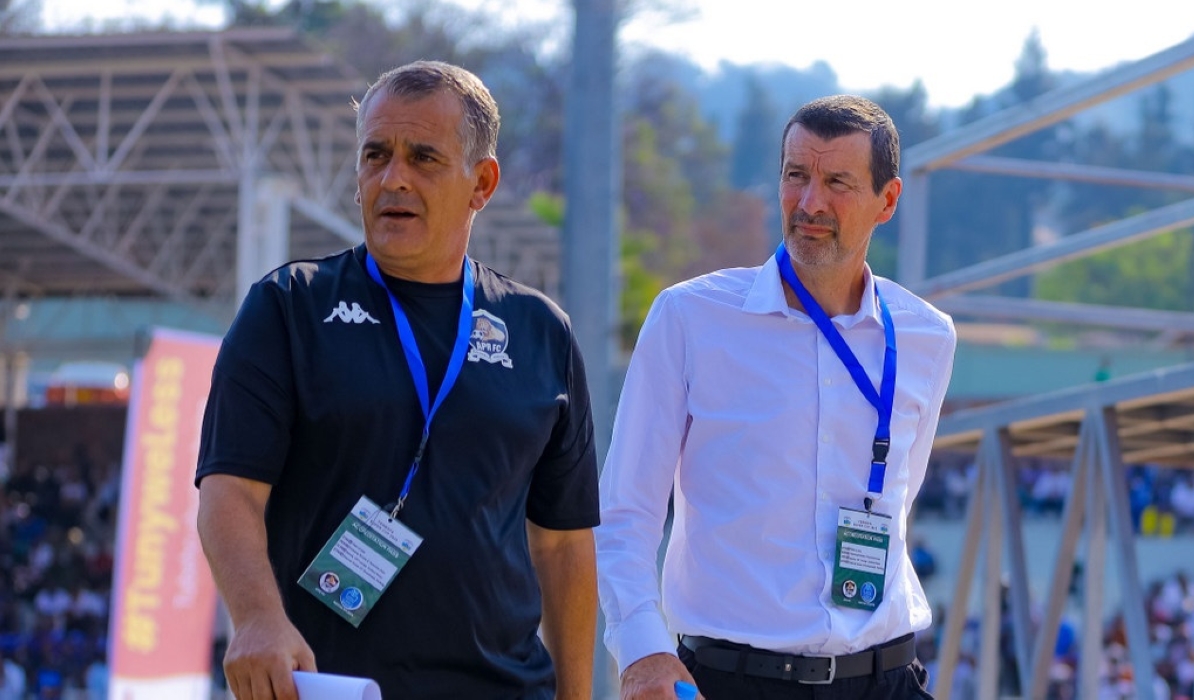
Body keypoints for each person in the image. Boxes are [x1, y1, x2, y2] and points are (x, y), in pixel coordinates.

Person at [196, 60, 599, 700]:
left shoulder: (540, 329)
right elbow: (229, 493)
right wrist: (256, 618)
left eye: (423, 158)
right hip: (330, 687)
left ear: (482, 183)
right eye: (376, 155)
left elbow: (563, 546)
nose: (392, 179)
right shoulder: (289, 306)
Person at [595, 95, 957, 699]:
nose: (810, 203)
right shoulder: (690, 318)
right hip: (730, 681)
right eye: (796, 175)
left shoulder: (927, 337)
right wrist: (643, 653)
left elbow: (895, 502)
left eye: (837, 181)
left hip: (886, 678)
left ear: (886, 201)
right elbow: (623, 514)